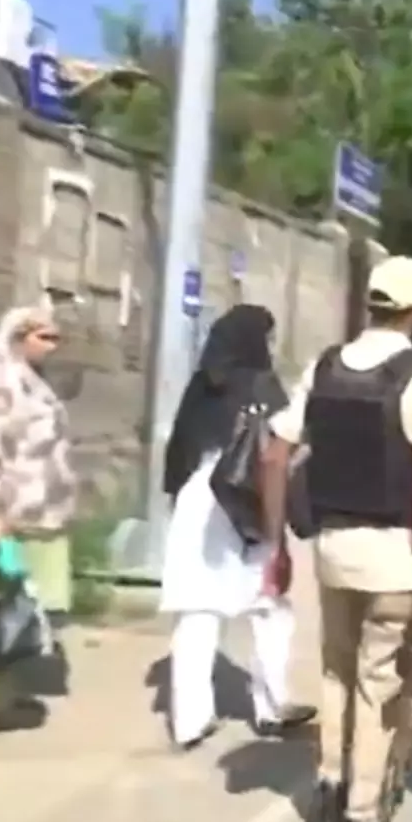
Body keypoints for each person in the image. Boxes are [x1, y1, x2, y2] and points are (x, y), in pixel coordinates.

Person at [258, 255, 412, 822]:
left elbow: (275, 452)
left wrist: (275, 544)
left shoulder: (325, 367)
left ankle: (328, 783)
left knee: (336, 673)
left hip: (333, 549)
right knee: (379, 689)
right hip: (394, 557)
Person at [158, 304, 317, 750]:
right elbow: (278, 460)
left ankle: (190, 720)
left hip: (197, 499)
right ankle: (271, 706)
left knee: (197, 611)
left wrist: (177, 504)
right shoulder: (264, 386)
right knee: (268, 605)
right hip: (245, 501)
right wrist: (287, 525)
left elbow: (178, 453)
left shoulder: (201, 386)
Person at [0, 304, 78, 731]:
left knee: (18, 607)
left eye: (56, 337)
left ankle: (3, 692)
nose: (53, 346)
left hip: (34, 514)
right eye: (44, 337)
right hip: (2, 514)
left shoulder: (32, 380)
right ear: (18, 336)